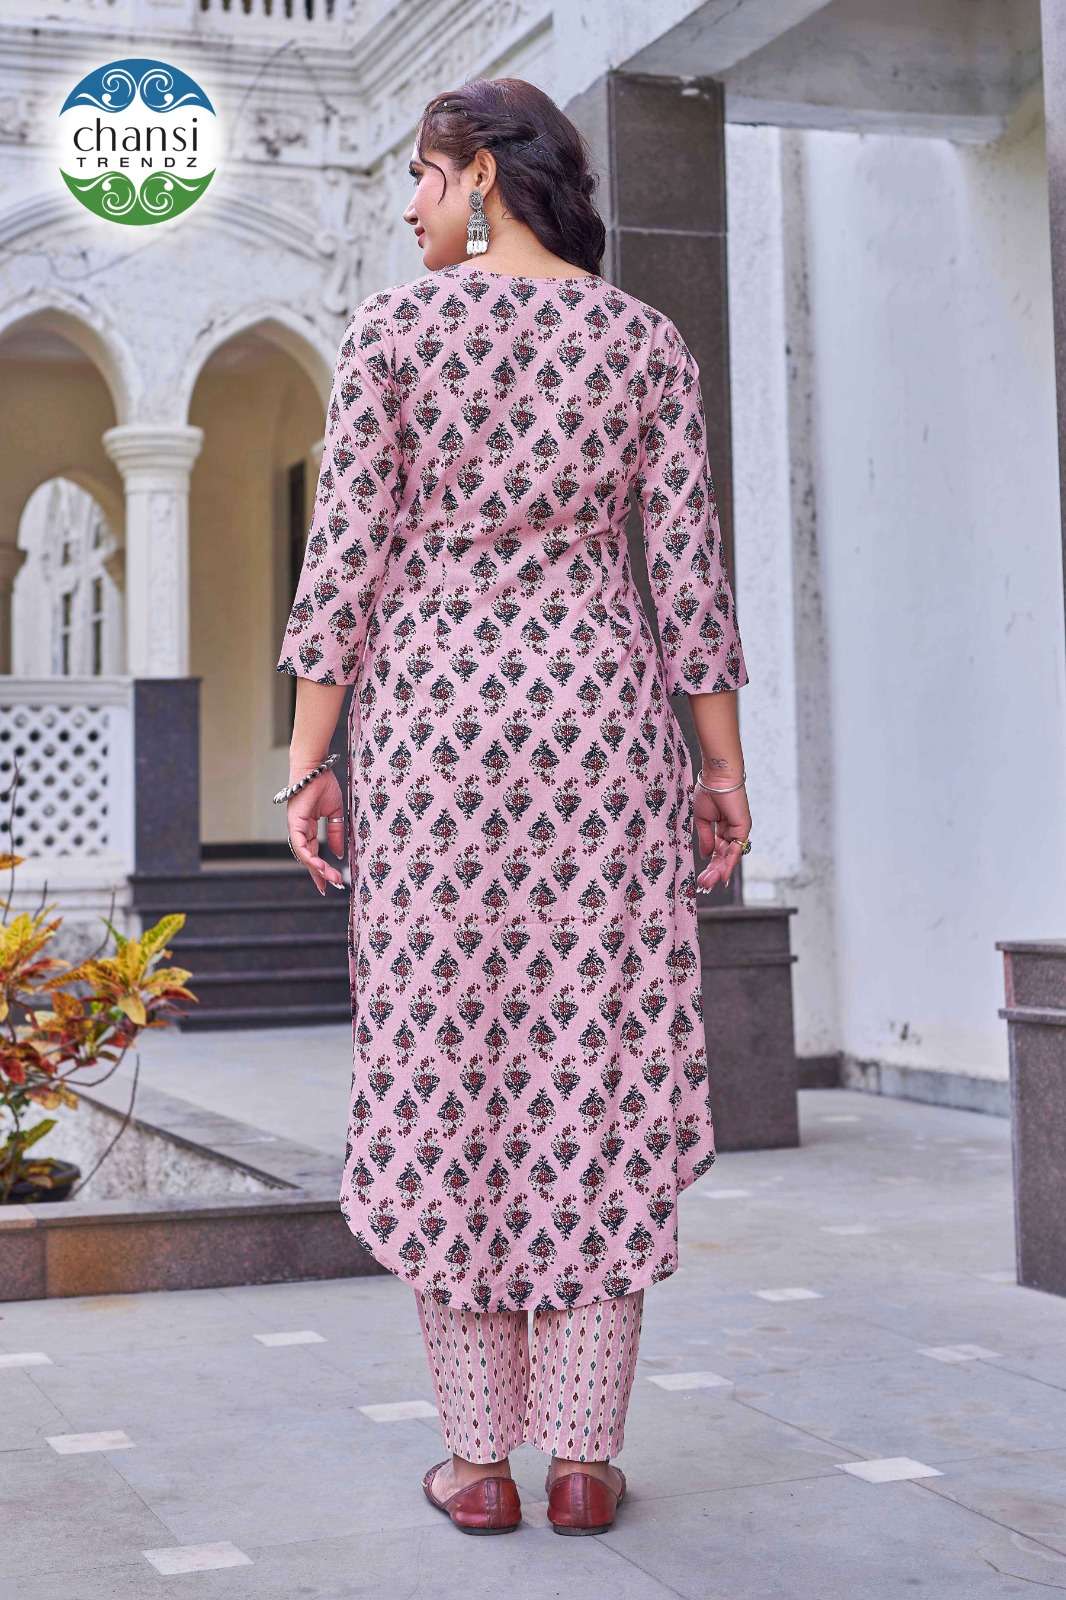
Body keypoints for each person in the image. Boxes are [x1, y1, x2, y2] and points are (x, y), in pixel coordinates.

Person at [275, 76, 753, 1538]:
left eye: (424, 178)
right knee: (595, 1067)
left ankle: (479, 1462)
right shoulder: (643, 342)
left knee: (447, 1071)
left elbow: (343, 565)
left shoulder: (393, 332)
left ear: (481, 174)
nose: (411, 208)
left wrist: (308, 761)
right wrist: (722, 769)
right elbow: (689, 578)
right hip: (604, 736)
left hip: (434, 738)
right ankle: (585, 1460)